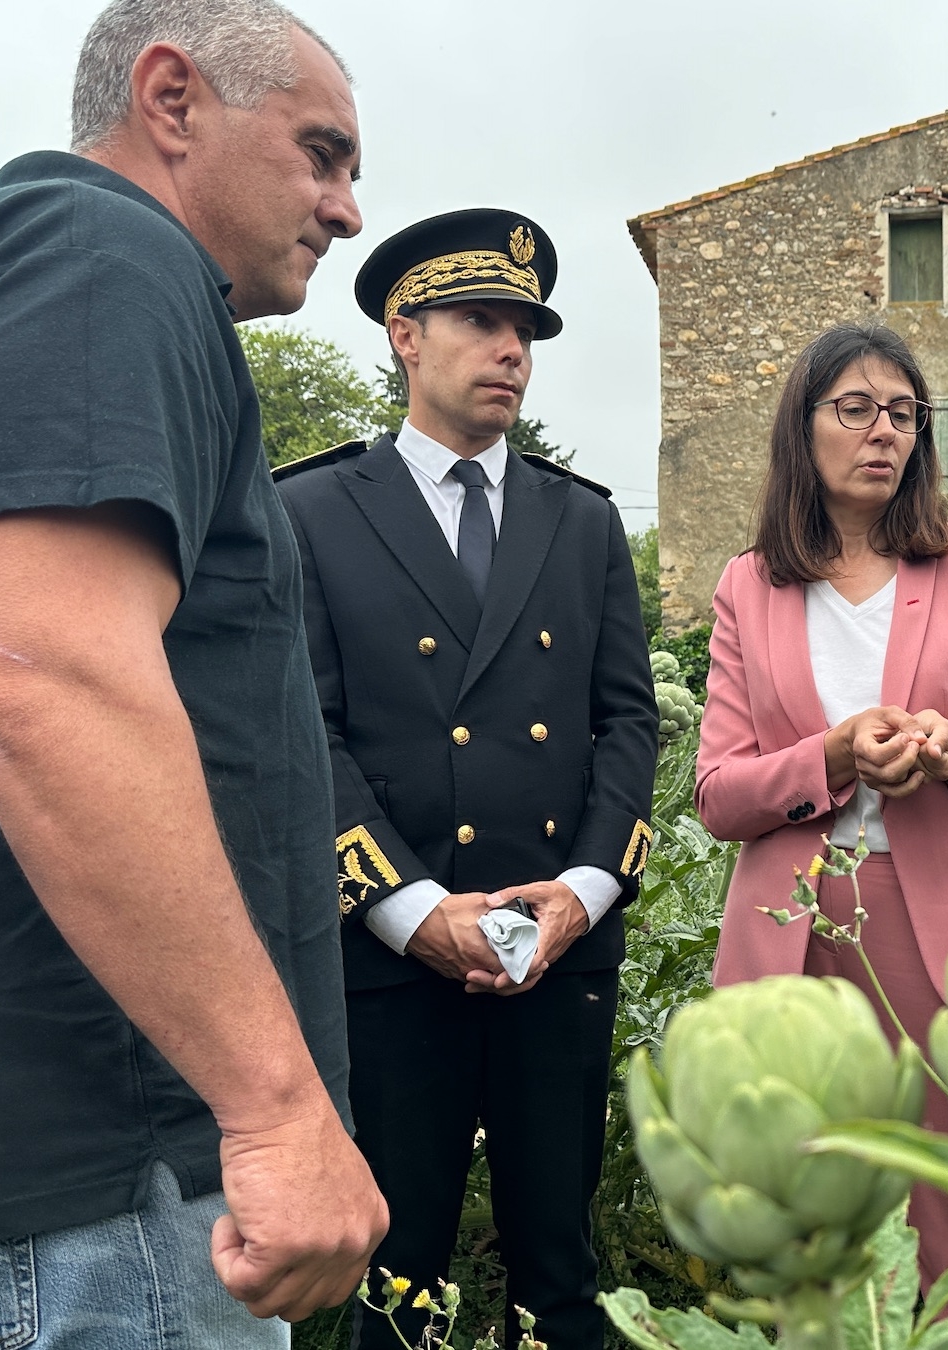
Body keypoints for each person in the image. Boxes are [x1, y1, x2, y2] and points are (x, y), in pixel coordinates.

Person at [0, 2, 387, 1347]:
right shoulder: (99, 254)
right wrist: (275, 1108)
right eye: (322, 154)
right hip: (91, 1207)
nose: (343, 210)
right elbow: (47, 680)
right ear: (171, 100)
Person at [275, 210, 659, 1350]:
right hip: (395, 959)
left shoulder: (579, 520)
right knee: (395, 1287)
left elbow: (625, 720)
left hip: (557, 948)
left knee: (561, 1276)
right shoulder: (309, 513)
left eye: (525, 332)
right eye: (482, 323)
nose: (511, 351)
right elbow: (308, 735)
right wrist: (406, 910)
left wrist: (584, 892)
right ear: (404, 334)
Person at [695, 322, 948, 1291]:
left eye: (902, 414)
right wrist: (830, 753)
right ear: (802, 431)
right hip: (792, 933)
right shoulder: (749, 582)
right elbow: (717, 794)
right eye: (854, 410)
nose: (882, 432)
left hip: (939, 927)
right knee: (803, 1221)